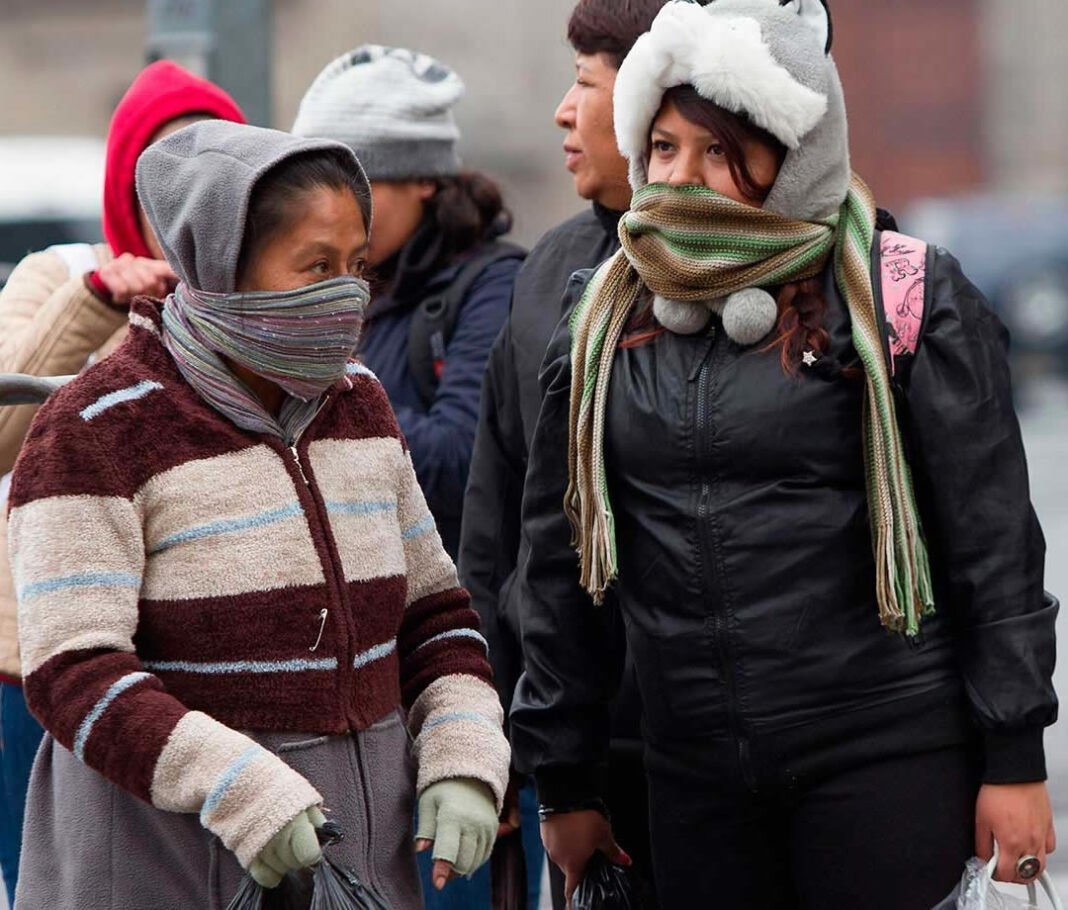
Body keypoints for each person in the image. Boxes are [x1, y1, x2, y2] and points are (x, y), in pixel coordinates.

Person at [509, 2, 1059, 908]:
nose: (684, 177)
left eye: (720, 151)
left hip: (884, 756)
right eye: (664, 148)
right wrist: (565, 775)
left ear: (792, 158)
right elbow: (561, 563)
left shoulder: (900, 296)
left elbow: (992, 548)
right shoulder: (602, 314)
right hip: (694, 779)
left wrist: (1014, 759)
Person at [7, 120, 509, 909]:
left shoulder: (360, 404)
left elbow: (434, 615)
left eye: (357, 265)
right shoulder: (97, 427)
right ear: (220, 267)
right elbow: (75, 671)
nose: (346, 293)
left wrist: (463, 750)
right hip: (161, 863)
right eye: (315, 266)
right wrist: (240, 790)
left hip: (360, 863)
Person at [459, 3, 704, 906]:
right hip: (579, 746)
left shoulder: (747, 278)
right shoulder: (547, 275)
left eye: (586, 84)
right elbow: (497, 529)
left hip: (716, 742)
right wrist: (495, 730)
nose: (563, 111)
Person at [0, 60, 245, 908]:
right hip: (43, 670)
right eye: (160, 177)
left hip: (209, 668)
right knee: (61, 883)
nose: (183, 202)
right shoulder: (58, 275)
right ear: (124, 183)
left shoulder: (254, 303)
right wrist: (98, 303)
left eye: (207, 176)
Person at [293, 46, 523, 563]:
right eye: (312, 194)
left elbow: (460, 463)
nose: (330, 216)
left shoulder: (494, 285)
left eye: (356, 188)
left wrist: (316, 371)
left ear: (424, 178)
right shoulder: (340, 281)